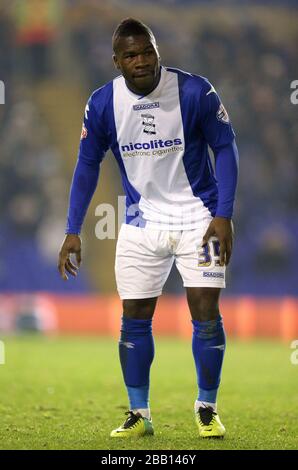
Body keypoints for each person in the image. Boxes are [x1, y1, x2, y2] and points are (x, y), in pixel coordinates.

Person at [58, 18, 239, 439]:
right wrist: (72, 229)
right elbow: (87, 165)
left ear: (158, 52)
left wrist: (224, 215)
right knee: (134, 317)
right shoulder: (103, 103)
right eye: (131, 55)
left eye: (148, 52)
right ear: (117, 61)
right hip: (141, 223)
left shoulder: (195, 91)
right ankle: (139, 413)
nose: (141, 61)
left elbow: (225, 147)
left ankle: (206, 408)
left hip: (201, 220)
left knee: (206, 312)